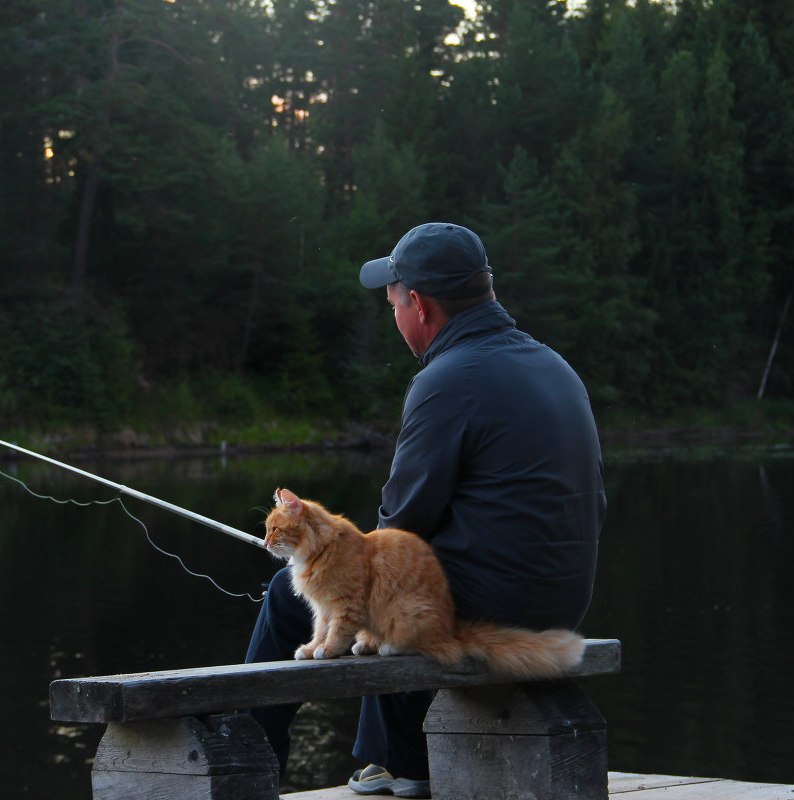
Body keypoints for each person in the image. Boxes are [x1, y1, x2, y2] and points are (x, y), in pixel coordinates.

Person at [244, 222, 606, 798]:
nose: (393, 317)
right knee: (377, 573)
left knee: (304, 592)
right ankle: (395, 754)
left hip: (495, 603)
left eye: (392, 303)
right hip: (564, 600)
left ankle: (254, 765)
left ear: (418, 303)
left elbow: (402, 523)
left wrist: (326, 557)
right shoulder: (553, 365)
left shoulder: (447, 380)